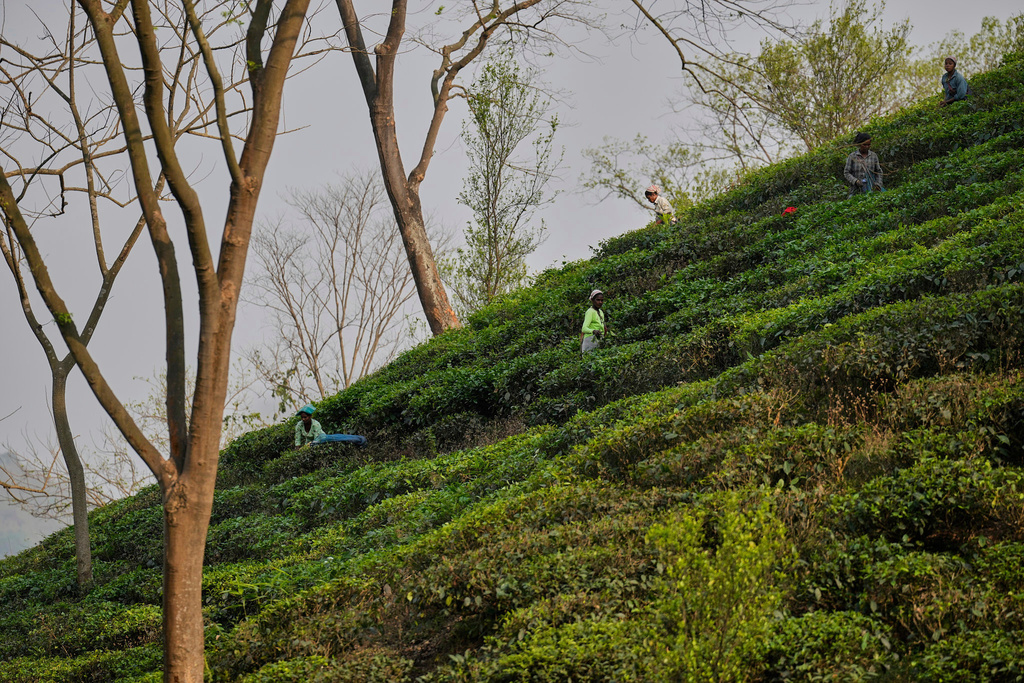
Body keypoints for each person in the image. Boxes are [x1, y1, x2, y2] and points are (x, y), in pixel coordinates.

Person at [843, 132, 884, 197]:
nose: (867, 147)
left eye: (868, 145)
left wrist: (878, 184)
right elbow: (846, 173)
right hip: (856, 190)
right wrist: (855, 181)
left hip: (871, 189)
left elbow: (878, 172)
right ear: (859, 144)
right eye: (864, 145)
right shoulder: (852, 156)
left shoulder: (873, 156)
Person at [581, 289, 607, 354]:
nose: (600, 302)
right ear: (592, 300)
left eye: (602, 300)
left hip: (599, 340)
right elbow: (584, 329)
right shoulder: (590, 312)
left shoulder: (601, 312)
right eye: (598, 300)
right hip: (589, 340)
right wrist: (593, 331)